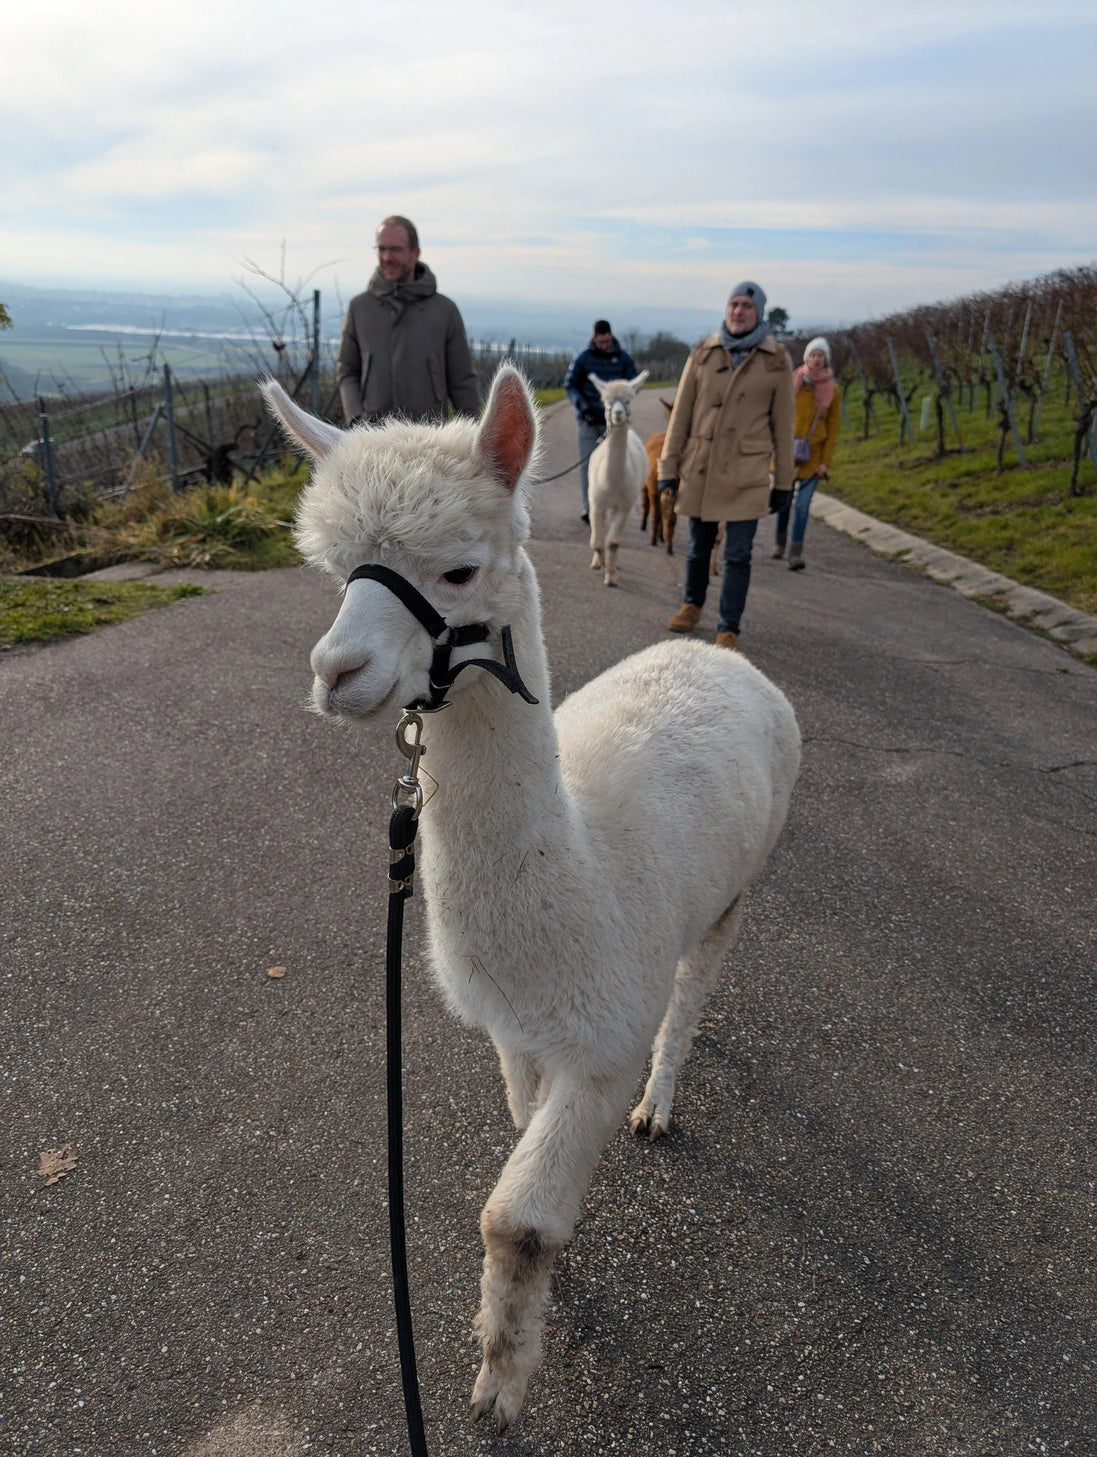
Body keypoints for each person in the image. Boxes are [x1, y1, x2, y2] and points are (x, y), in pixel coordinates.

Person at [658, 281, 794, 650]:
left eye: (746, 306)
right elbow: (680, 419)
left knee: (737, 554)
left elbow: (784, 429)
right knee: (698, 548)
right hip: (701, 469)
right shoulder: (703, 353)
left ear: (759, 313)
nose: (738, 311)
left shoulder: (777, 361)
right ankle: (692, 604)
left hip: (746, 474)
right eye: (733, 304)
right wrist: (667, 469)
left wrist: (784, 481)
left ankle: (728, 626)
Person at [336, 215, 479, 426]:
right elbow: (347, 370)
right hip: (374, 440)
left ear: (415, 253)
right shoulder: (360, 308)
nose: (386, 257)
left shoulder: (444, 310)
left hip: (429, 439)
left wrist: (472, 434)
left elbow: (462, 381)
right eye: (381, 249)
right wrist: (357, 418)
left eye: (395, 249)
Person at [773, 336, 841, 569]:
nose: (816, 359)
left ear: (826, 359)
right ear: (806, 357)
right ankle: (779, 544)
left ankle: (795, 554)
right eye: (813, 355)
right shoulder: (792, 383)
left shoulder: (833, 390)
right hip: (788, 454)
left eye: (821, 355)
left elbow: (832, 429)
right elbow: (779, 417)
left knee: (802, 507)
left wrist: (826, 462)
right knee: (783, 504)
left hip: (813, 456)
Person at [563, 321, 639, 522]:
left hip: (614, 423)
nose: (605, 344)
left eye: (607, 341)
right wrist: (580, 403)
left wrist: (625, 402)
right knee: (589, 464)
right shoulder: (584, 359)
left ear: (611, 337)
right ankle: (591, 508)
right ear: (595, 338)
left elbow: (633, 384)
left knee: (615, 463)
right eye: (601, 341)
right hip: (589, 420)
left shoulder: (622, 359)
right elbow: (570, 384)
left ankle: (614, 502)